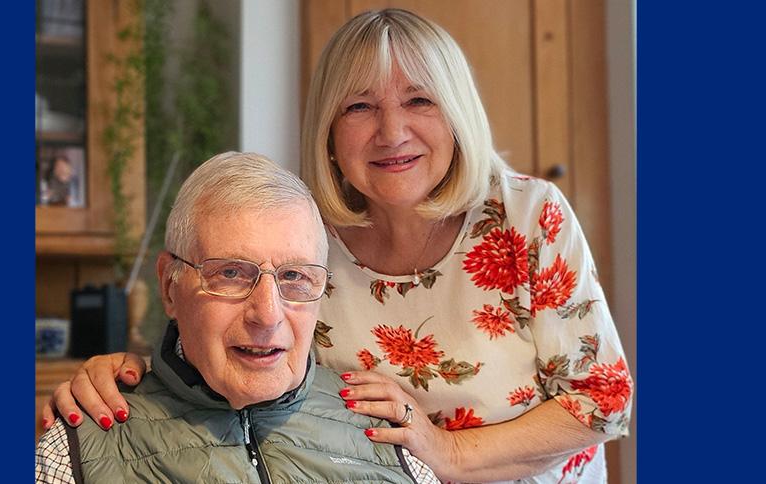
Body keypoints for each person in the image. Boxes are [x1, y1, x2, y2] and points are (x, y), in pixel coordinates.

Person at [42, 9, 633, 483]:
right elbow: (224, 328)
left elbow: (604, 400)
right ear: (329, 129)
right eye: (360, 107)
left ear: (456, 114)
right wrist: (126, 371)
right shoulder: (306, 238)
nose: (393, 132)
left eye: (419, 100)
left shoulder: (526, 215)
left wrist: (448, 455)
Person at [35, 152, 438, 483]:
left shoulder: (388, 437)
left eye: (294, 276)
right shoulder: (73, 453)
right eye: (230, 273)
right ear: (169, 286)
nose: (267, 314)